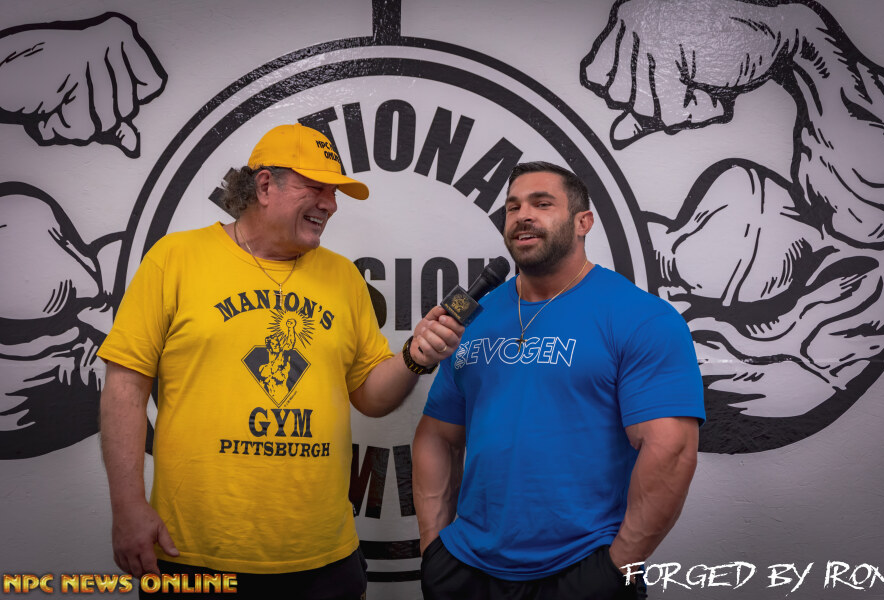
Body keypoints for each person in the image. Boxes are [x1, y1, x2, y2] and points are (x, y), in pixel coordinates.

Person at [98, 123, 464, 598]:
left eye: (334, 192)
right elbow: (125, 385)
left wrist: (415, 357)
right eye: (316, 187)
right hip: (196, 552)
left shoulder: (342, 277)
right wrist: (127, 506)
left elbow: (370, 397)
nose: (330, 204)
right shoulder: (175, 259)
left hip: (323, 556)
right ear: (265, 185)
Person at [413, 161, 705, 599]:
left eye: (542, 204)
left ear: (583, 222)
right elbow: (437, 434)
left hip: (582, 568)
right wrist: (434, 549)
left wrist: (616, 567)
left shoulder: (641, 317)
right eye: (513, 207)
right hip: (466, 568)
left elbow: (672, 451)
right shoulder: (473, 317)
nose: (523, 216)